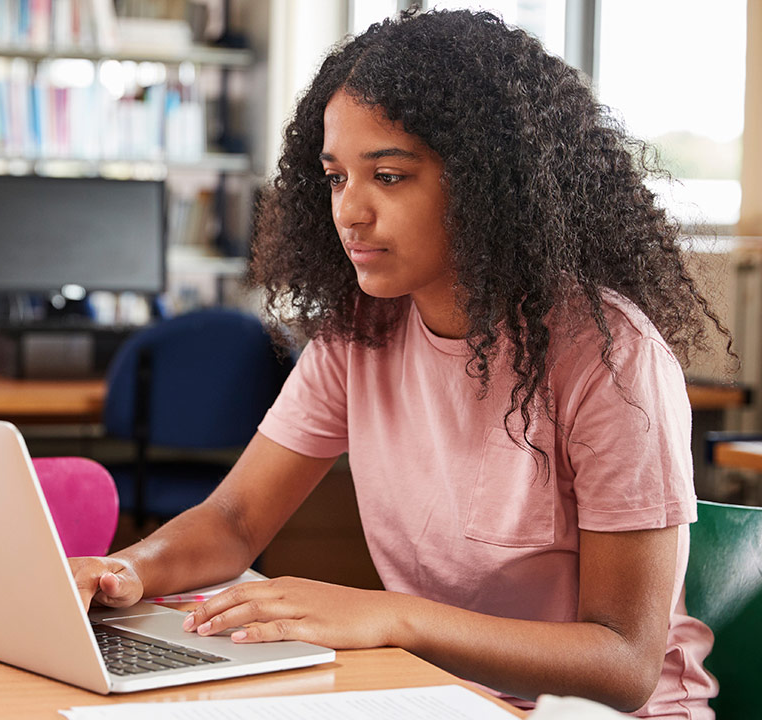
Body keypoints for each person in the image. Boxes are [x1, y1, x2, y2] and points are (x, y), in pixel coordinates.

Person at [70, 9, 728, 717]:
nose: (349, 212)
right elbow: (233, 519)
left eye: (387, 175)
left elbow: (625, 662)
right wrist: (125, 571)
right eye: (334, 178)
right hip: (442, 698)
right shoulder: (359, 332)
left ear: (487, 185)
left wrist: (394, 617)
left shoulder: (610, 359)